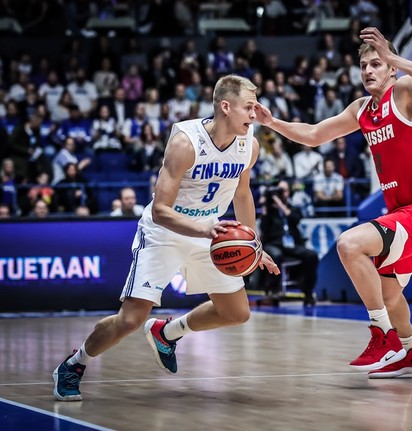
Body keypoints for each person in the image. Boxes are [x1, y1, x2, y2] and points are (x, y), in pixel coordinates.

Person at [53, 74, 279, 401]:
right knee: (130, 319)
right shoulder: (186, 142)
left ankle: (167, 332)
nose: (255, 114)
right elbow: (160, 210)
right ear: (225, 107)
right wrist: (201, 229)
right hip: (165, 231)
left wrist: (254, 245)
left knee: (237, 313)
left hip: (211, 230)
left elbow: (242, 195)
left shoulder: (250, 144)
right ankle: (75, 364)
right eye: (249, 107)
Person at [255, 27, 412, 378]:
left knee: (349, 244)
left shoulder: (406, 92)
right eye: (364, 66)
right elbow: (315, 135)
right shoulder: (362, 109)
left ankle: (383, 334)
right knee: (388, 293)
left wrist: (395, 59)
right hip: (402, 214)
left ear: (391, 69)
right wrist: (274, 123)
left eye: (377, 64)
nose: (369, 71)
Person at [259, 179, 319, 306]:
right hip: (274, 243)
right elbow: (264, 228)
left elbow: (296, 219)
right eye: (279, 191)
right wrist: (265, 206)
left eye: (284, 191)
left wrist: (281, 205)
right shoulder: (269, 211)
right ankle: (274, 291)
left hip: (292, 245)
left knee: (312, 256)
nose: (281, 194)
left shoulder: (292, 208)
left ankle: (307, 292)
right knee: (276, 255)